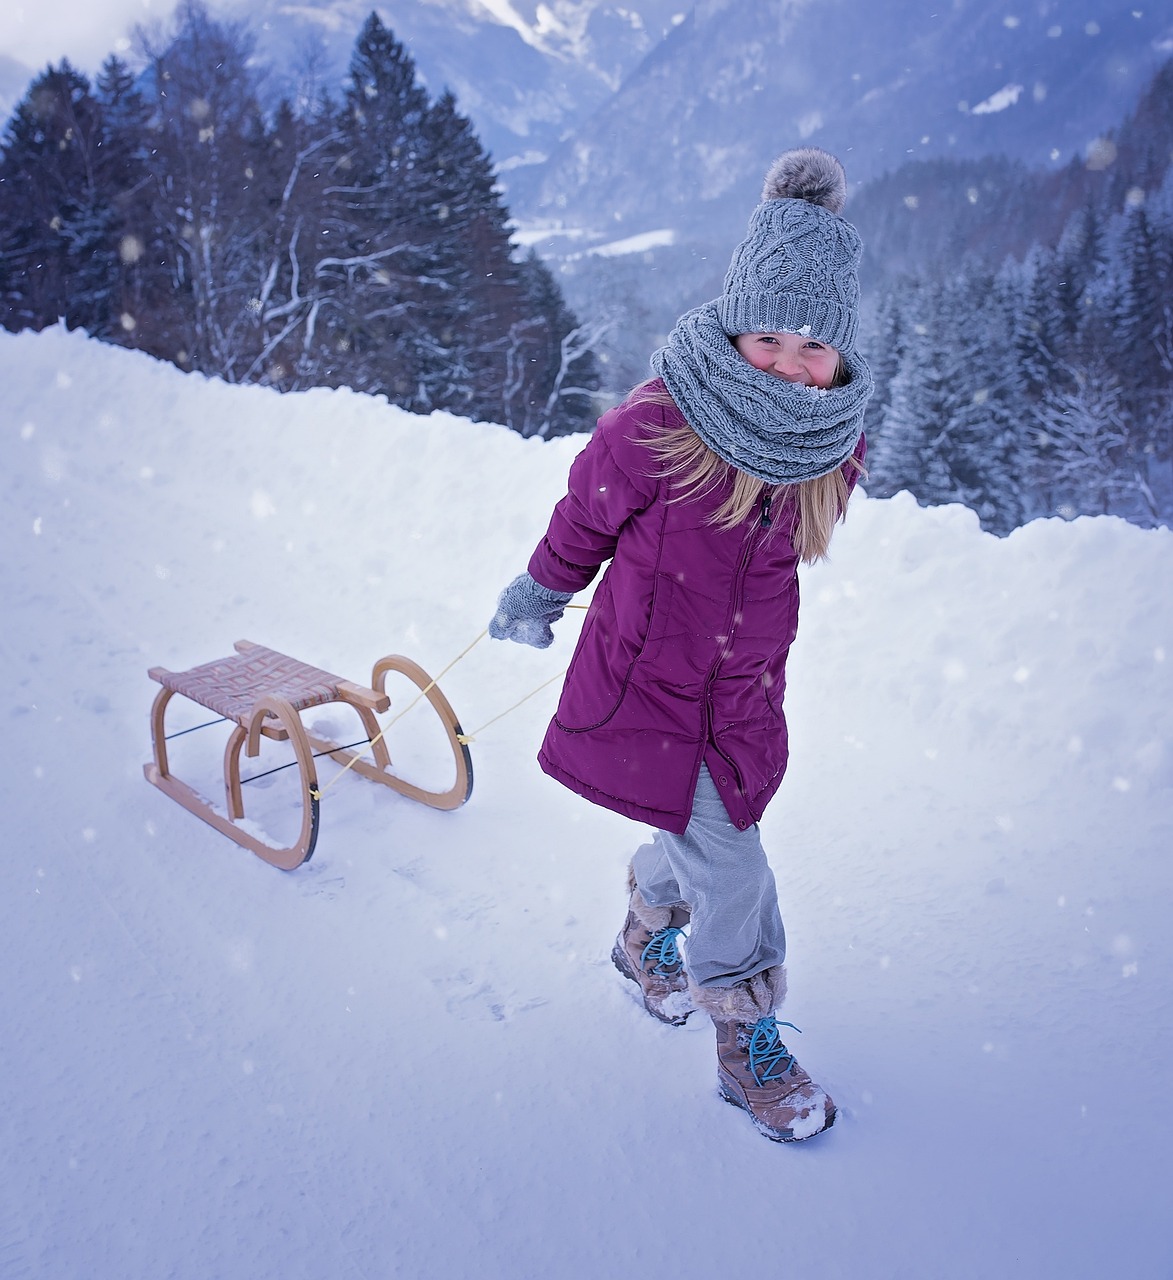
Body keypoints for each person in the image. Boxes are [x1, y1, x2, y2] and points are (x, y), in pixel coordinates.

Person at [488, 147, 873, 1143]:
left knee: (699, 831)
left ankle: (643, 933)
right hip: (650, 691)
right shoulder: (657, 426)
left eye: (814, 347)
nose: (792, 362)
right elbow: (582, 521)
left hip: (741, 695)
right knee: (736, 870)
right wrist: (537, 591)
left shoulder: (823, 448)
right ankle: (745, 1040)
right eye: (771, 337)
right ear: (736, 322)